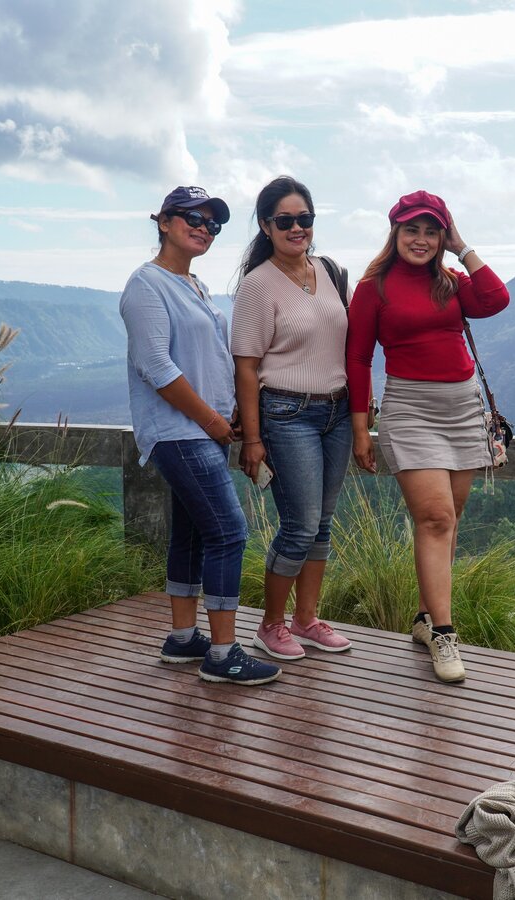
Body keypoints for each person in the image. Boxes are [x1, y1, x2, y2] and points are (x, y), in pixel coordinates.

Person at [119, 186, 280, 686]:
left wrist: (229, 416)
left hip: (202, 431)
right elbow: (155, 365)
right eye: (192, 217)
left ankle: (185, 638)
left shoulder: (195, 286)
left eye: (213, 224)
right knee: (229, 532)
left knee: (190, 532)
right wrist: (213, 421)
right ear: (163, 221)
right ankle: (224, 653)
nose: (204, 228)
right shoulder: (146, 284)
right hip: (179, 432)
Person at [346, 190, 509, 683]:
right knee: (436, 518)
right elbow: (357, 359)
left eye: (431, 230)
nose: (420, 239)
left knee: (448, 519)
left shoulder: (452, 281)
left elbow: (497, 299)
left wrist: (462, 246)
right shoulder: (374, 288)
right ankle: (444, 634)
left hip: (462, 408)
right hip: (410, 409)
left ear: (442, 236)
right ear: (394, 232)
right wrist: (361, 428)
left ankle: (422, 618)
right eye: (411, 229)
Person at [231, 176, 354, 661]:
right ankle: (271, 624)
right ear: (266, 226)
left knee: (322, 523)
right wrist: (253, 439)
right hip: (286, 413)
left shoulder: (329, 271)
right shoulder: (258, 284)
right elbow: (245, 365)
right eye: (285, 220)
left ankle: (306, 620)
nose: (297, 227)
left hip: (337, 411)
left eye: (305, 218)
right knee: (299, 524)